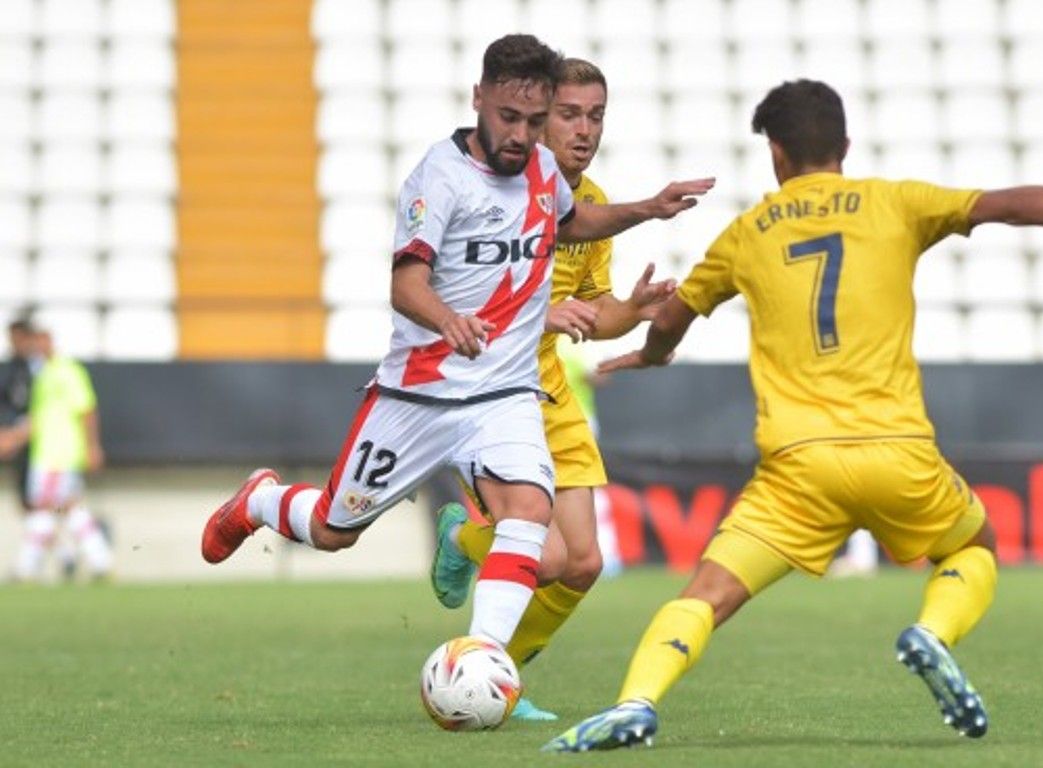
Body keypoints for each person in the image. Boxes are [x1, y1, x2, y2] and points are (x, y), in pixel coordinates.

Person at [544, 79, 1043, 752]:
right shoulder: (896, 203)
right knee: (970, 549)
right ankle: (932, 630)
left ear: (775, 154)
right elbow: (1013, 205)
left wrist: (652, 356)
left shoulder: (745, 235)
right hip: (898, 451)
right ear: (845, 145)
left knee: (708, 593)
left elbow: (672, 317)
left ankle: (636, 701)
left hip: (798, 467)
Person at [199, 35, 712, 660]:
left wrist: (648, 210)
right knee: (336, 529)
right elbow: (405, 284)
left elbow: (573, 221)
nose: (520, 135)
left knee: (527, 514)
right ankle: (261, 499)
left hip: (505, 391)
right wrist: (448, 320)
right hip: (421, 390)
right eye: (508, 117)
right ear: (479, 99)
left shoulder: (544, 171)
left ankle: (484, 659)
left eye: (531, 121)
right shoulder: (437, 179)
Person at [430, 58, 665, 721]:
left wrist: (634, 309)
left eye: (595, 116)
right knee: (550, 554)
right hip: (483, 387)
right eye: (569, 114)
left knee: (583, 563)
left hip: (548, 391)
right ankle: (460, 539)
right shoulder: (491, 188)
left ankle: (503, 679)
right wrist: (536, 313)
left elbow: (595, 312)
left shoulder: (590, 207)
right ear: (537, 117)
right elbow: (449, 293)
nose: (584, 130)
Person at [0, 326, 112, 581]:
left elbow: (87, 409)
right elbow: (39, 419)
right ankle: (100, 561)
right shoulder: (43, 376)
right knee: (69, 508)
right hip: (48, 453)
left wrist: (93, 447)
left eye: (39, 340)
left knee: (42, 509)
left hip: (57, 454)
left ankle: (26, 569)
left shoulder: (68, 371)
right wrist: (13, 438)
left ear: (48, 340)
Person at [2, 316, 36, 517]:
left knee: (48, 500)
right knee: (26, 499)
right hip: (14, 438)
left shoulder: (40, 368)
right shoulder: (9, 368)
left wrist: (20, 432)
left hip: (39, 441)